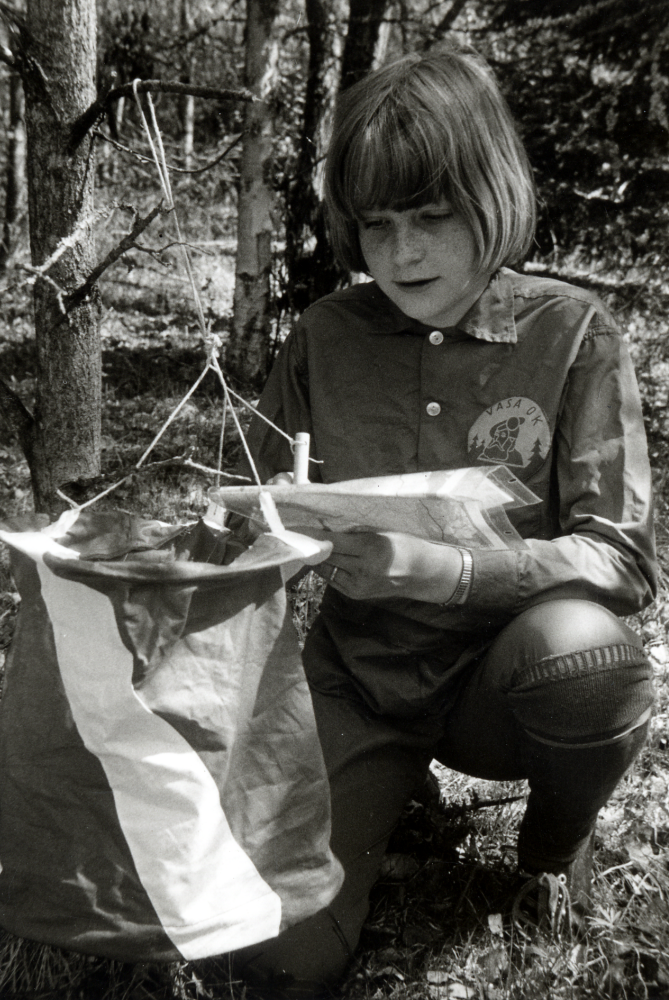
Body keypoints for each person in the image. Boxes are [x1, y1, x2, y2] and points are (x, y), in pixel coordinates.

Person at [232, 44, 657, 998]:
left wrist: (450, 575)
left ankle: (551, 852)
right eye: (376, 223)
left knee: (587, 663)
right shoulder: (324, 338)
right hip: (358, 680)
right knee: (279, 960)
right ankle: (387, 798)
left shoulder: (572, 331)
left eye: (431, 217)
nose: (401, 253)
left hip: (503, 683)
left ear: (491, 194)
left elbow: (620, 560)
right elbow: (250, 508)